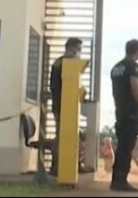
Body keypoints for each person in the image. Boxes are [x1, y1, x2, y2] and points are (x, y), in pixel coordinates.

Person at [110, 39, 138, 192]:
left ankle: (116, 179)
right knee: (126, 148)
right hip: (131, 112)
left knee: (122, 146)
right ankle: (121, 181)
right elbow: (135, 88)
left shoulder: (115, 68)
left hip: (120, 111)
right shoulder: (134, 67)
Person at [48, 38, 82, 176]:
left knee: (68, 136)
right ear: (71, 49)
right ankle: (57, 167)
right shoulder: (62, 63)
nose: (79, 53)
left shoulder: (60, 63)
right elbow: (56, 86)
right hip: (62, 105)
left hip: (67, 105)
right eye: (78, 49)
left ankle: (71, 165)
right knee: (61, 136)